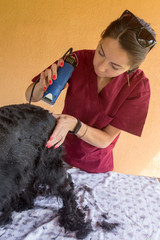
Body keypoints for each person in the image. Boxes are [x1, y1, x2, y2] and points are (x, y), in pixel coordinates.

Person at [25, 10, 156, 173]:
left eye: (115, 66)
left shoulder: (138, 88)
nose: (101, 67)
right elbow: (30, 95)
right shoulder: (77, 60)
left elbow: (105, 139)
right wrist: (40, 86)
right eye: (100, 52)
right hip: (59, 153)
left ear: (132, 68)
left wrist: (74, 124)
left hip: (95, 166)